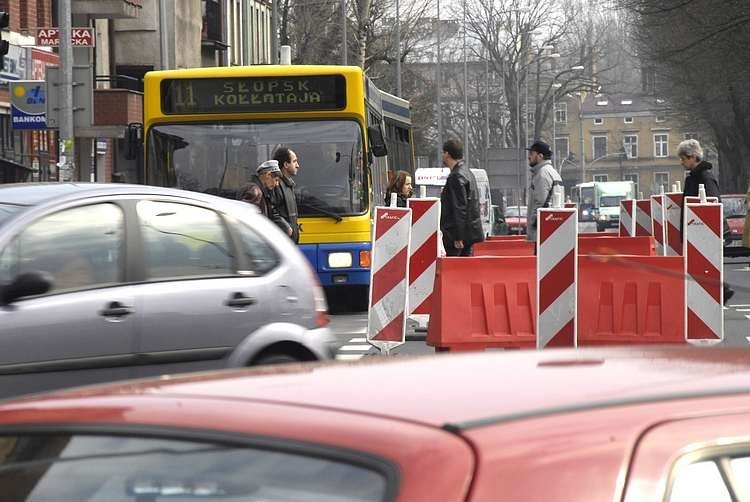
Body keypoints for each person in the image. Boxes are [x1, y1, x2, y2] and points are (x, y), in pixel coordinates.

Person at [677, 138, 734, 303]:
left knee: (704, 265)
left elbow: (713, 203)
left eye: (684, 158)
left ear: (693, 157)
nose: (682, 162)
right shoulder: (695, 177)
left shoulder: (704, 177)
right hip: (696, 228)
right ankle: (717, 292)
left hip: (701, 229)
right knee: (702, 266)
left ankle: (720, 292)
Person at [439, 138, 484, 256]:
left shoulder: (456, 176)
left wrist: (458, 236)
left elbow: (459, 207)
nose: (442, 156)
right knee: (465, 268)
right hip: (469, 232)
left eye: (443, 153)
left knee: (455, 268)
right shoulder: (467, 173)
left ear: (447, 154)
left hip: (457, 236)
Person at [239, 160, 293, 236]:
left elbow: (272, 212)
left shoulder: (263, 191)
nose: (277, 184)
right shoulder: (254, 191)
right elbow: (249, 221)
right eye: (276, 180)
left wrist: (285, 227)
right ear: (268, 175)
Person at [526, 140, 562, 244]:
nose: (529, 157)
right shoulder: (552, 172)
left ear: (540, 156)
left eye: (532, 154)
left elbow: (540, 202)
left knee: (542, 259)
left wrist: (532, 222)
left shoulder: (542, 174)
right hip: (551, 227)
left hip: (542, 230)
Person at [272, 146, 300, 243]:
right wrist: (286, 227)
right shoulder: (276, 184)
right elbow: (271, 210)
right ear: (286, 164)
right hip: (282, 241)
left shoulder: (288, 184)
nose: (297, 165)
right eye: (294, 161)